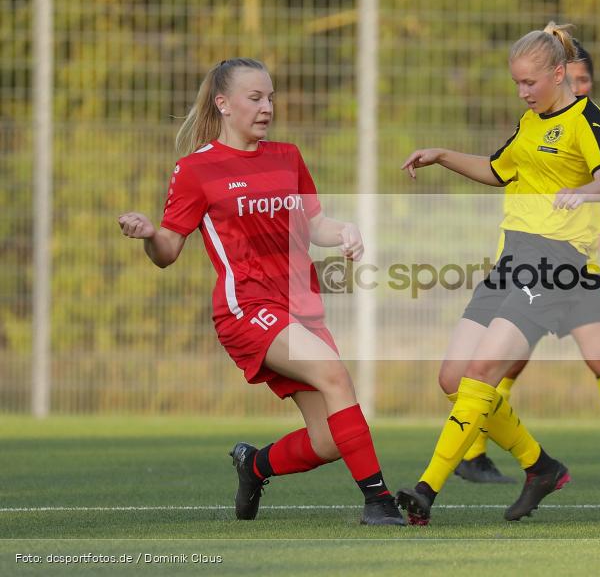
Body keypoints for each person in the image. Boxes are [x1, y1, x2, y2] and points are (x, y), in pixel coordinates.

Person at [117, 58, 406, 524]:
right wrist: (150, 233)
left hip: (301, 309)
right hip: (246, 309)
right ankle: (379, 501)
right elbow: (168, 250)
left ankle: (253, 466)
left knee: (330, 439)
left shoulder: (287, 156)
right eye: (255, 98)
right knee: (336, 375)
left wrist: (346, 230)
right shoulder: (196, 169)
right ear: (223, 103)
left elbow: (314, 225)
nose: (267, 107)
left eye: (270, 97)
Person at [394, 22, 600, 525]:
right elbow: (496, 169)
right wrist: (440, 155)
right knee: (453, 377)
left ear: (559, 73)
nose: (523, 93)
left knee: (482, 374)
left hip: (555, 262)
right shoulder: (530, 124)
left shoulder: (588, 121)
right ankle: (539, 466)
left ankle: (425, 489)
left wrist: (584, 193)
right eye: (517, 84)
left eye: (530, 82)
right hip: (512, 259)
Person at [453, 40, 600, 486]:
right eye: (575, 79)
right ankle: (474, 452)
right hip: (542, 260)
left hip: (579, 267)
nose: (580, 88)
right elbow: (543, 183)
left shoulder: (585, 121)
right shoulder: (543, 123)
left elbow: (589, 182)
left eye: (585, 81)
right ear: (560, 75)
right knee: (504, 363)